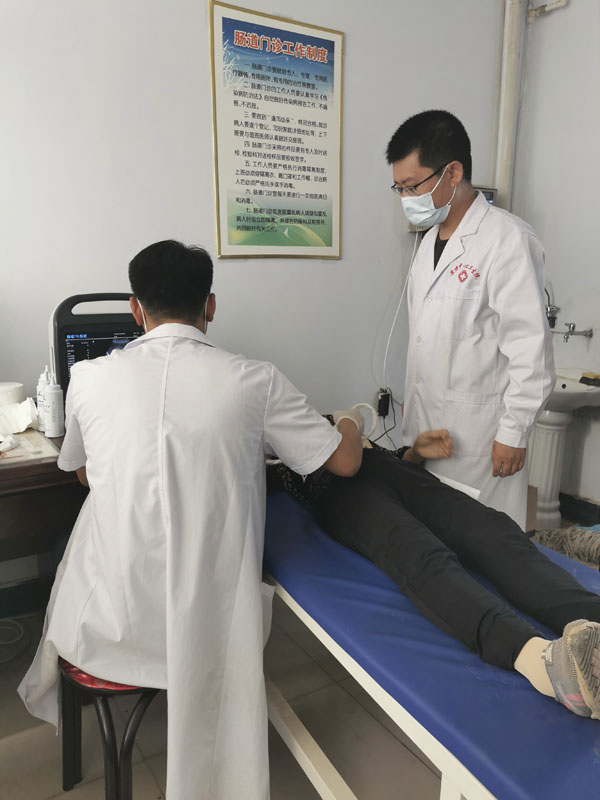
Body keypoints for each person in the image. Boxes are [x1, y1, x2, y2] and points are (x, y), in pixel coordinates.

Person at [18, 240, 364, 800]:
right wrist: (351, 420)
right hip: (211, 630)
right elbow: (343, 461)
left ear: (135, 309)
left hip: (106, 627)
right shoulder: (255, 380)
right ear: (211, 305)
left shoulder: (88, 378)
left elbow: (81, 472)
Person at [269, 428, 600, 720]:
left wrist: (413, 452)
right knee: (418, 553)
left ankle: (590, 615)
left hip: (395, 472)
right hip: (337, 489)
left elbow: (373, 455)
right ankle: (541, 662)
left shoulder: (321, 418)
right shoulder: (278, 442)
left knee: (492, 531)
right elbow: (345, 462)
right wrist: (349, 422)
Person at [386, 110, 555, 529]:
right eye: (399, 188)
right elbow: (427, 337)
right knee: (432, 540)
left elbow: (530, 349)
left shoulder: (507, 240)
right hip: (427, 433)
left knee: (485, 542)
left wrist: (513, 433)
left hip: (481, 440)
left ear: (453, 173)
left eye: (413, 186)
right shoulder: (428, 244)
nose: (406, 198)